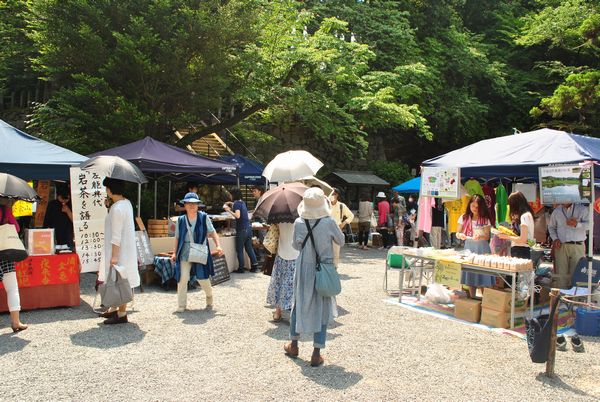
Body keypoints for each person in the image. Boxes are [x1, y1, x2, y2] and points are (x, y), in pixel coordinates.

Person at [284, 188, 345, 367]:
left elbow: (296, 245)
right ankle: (316, 353)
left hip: (303, 267)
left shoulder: (298, 222)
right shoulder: (328, 222)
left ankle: (294, 345)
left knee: (299, 303)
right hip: (323, 267)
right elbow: (341, 240)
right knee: (322, 308)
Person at [171, 192, 224, 312]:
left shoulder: (204, 217)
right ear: (184, 205)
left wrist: (218, 245)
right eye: (189, 203)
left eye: (194, 203)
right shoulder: (180, 220)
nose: (191, 206)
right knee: (183, 277)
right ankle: (181, 305)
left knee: (202, 278)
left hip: (200, 251)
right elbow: (177, 237)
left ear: (198, 205)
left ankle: (209, 295)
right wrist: (174, 253)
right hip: (184, 251)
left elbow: (213, 232)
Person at [99, 178, 139, 325]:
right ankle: (116, 309)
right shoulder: (126, 203)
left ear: (109, 190)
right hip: (126, 249)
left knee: (119, 281)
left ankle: (121, 313)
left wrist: (114, 256)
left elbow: (116, 235)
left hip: (119, 251)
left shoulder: (117, 208)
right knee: (120, 280)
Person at [456, 194, 495, 299]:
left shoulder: (485, 219)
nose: (474, 209)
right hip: (469, 248)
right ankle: (473, 299)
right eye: (472, 206)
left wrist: (480, 236)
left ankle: (486, 301)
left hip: (482, 249)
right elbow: (457, 232)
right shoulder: (463, 217)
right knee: (471, 275)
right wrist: (460, 235)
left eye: (477, 207)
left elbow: (487, 236)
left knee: (484, 275)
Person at [0, 198, 27, 332]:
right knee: (12, 288)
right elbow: (16, 228)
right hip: (5, 252)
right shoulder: (5, 211)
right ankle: (16, 322)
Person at [548, 202, 589, 288]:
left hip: (577, 245)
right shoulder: (557, 211)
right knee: (561, 275)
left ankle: (573, 299)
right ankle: (561, 298)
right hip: (561, 246)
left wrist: (577, 224)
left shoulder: (582, 209)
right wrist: (555, 238)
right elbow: (551, 227)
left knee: (577, 274)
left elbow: (590, 225)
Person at [266, 221, 298, 322]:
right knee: (294, 285)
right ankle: (293, 314)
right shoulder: (300, 217)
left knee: (278, 282)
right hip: (296, 254)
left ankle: (277, 312)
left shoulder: (278, 217)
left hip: (281, 252)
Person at [224, 188, 258, 273]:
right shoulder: (242, 202)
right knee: (249, 248)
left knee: (239, 249)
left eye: (231, 195)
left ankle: (241, 268)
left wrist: (228, 210)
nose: (230, 196)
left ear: (234, 195)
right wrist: (230, 203)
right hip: (248, 228)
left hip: (241, 229)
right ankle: (255, 265)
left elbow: (237, 216)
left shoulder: (236, 204)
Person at [497, 191, 535, 260]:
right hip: (521, 249)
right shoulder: (526, 215)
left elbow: (522, 239)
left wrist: (506, 236)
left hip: (521, 250)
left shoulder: (524, 216)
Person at [43, 184, 74, 248]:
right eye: (63, 199)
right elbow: (46, 221)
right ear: (58, 196)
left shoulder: (71, 204)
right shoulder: (52, 204)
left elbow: (76, 221)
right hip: (55, 236)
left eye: (67, 199)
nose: (65, 201)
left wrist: (68, 211)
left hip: (68, 237)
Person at [329, 188, 354, 267]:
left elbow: (351, 215)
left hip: (337, 229)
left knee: (336, 251)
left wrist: (344, 223)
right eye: (331, 194)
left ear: (337, 195)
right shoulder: (325, 205)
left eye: (334, 194)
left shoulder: (341, 206)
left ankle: (334, 268)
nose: (332, 196)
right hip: (325, 229)